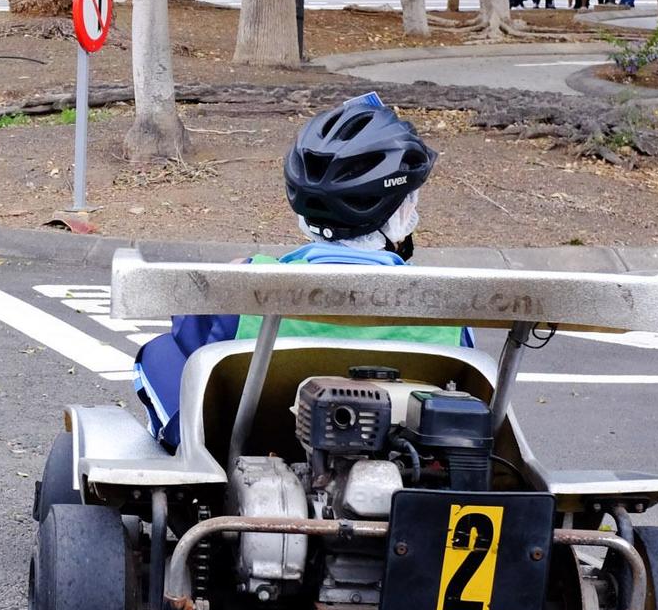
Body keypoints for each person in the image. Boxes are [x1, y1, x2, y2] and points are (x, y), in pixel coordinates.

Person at [132, 94, 467, 449]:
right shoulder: (444, 308)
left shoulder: (249, 283)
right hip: (401, 452)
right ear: (400, 213)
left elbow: (188, 336)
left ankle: (192, 461)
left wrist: (236, 274)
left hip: (252, 442)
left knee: (159, 352)